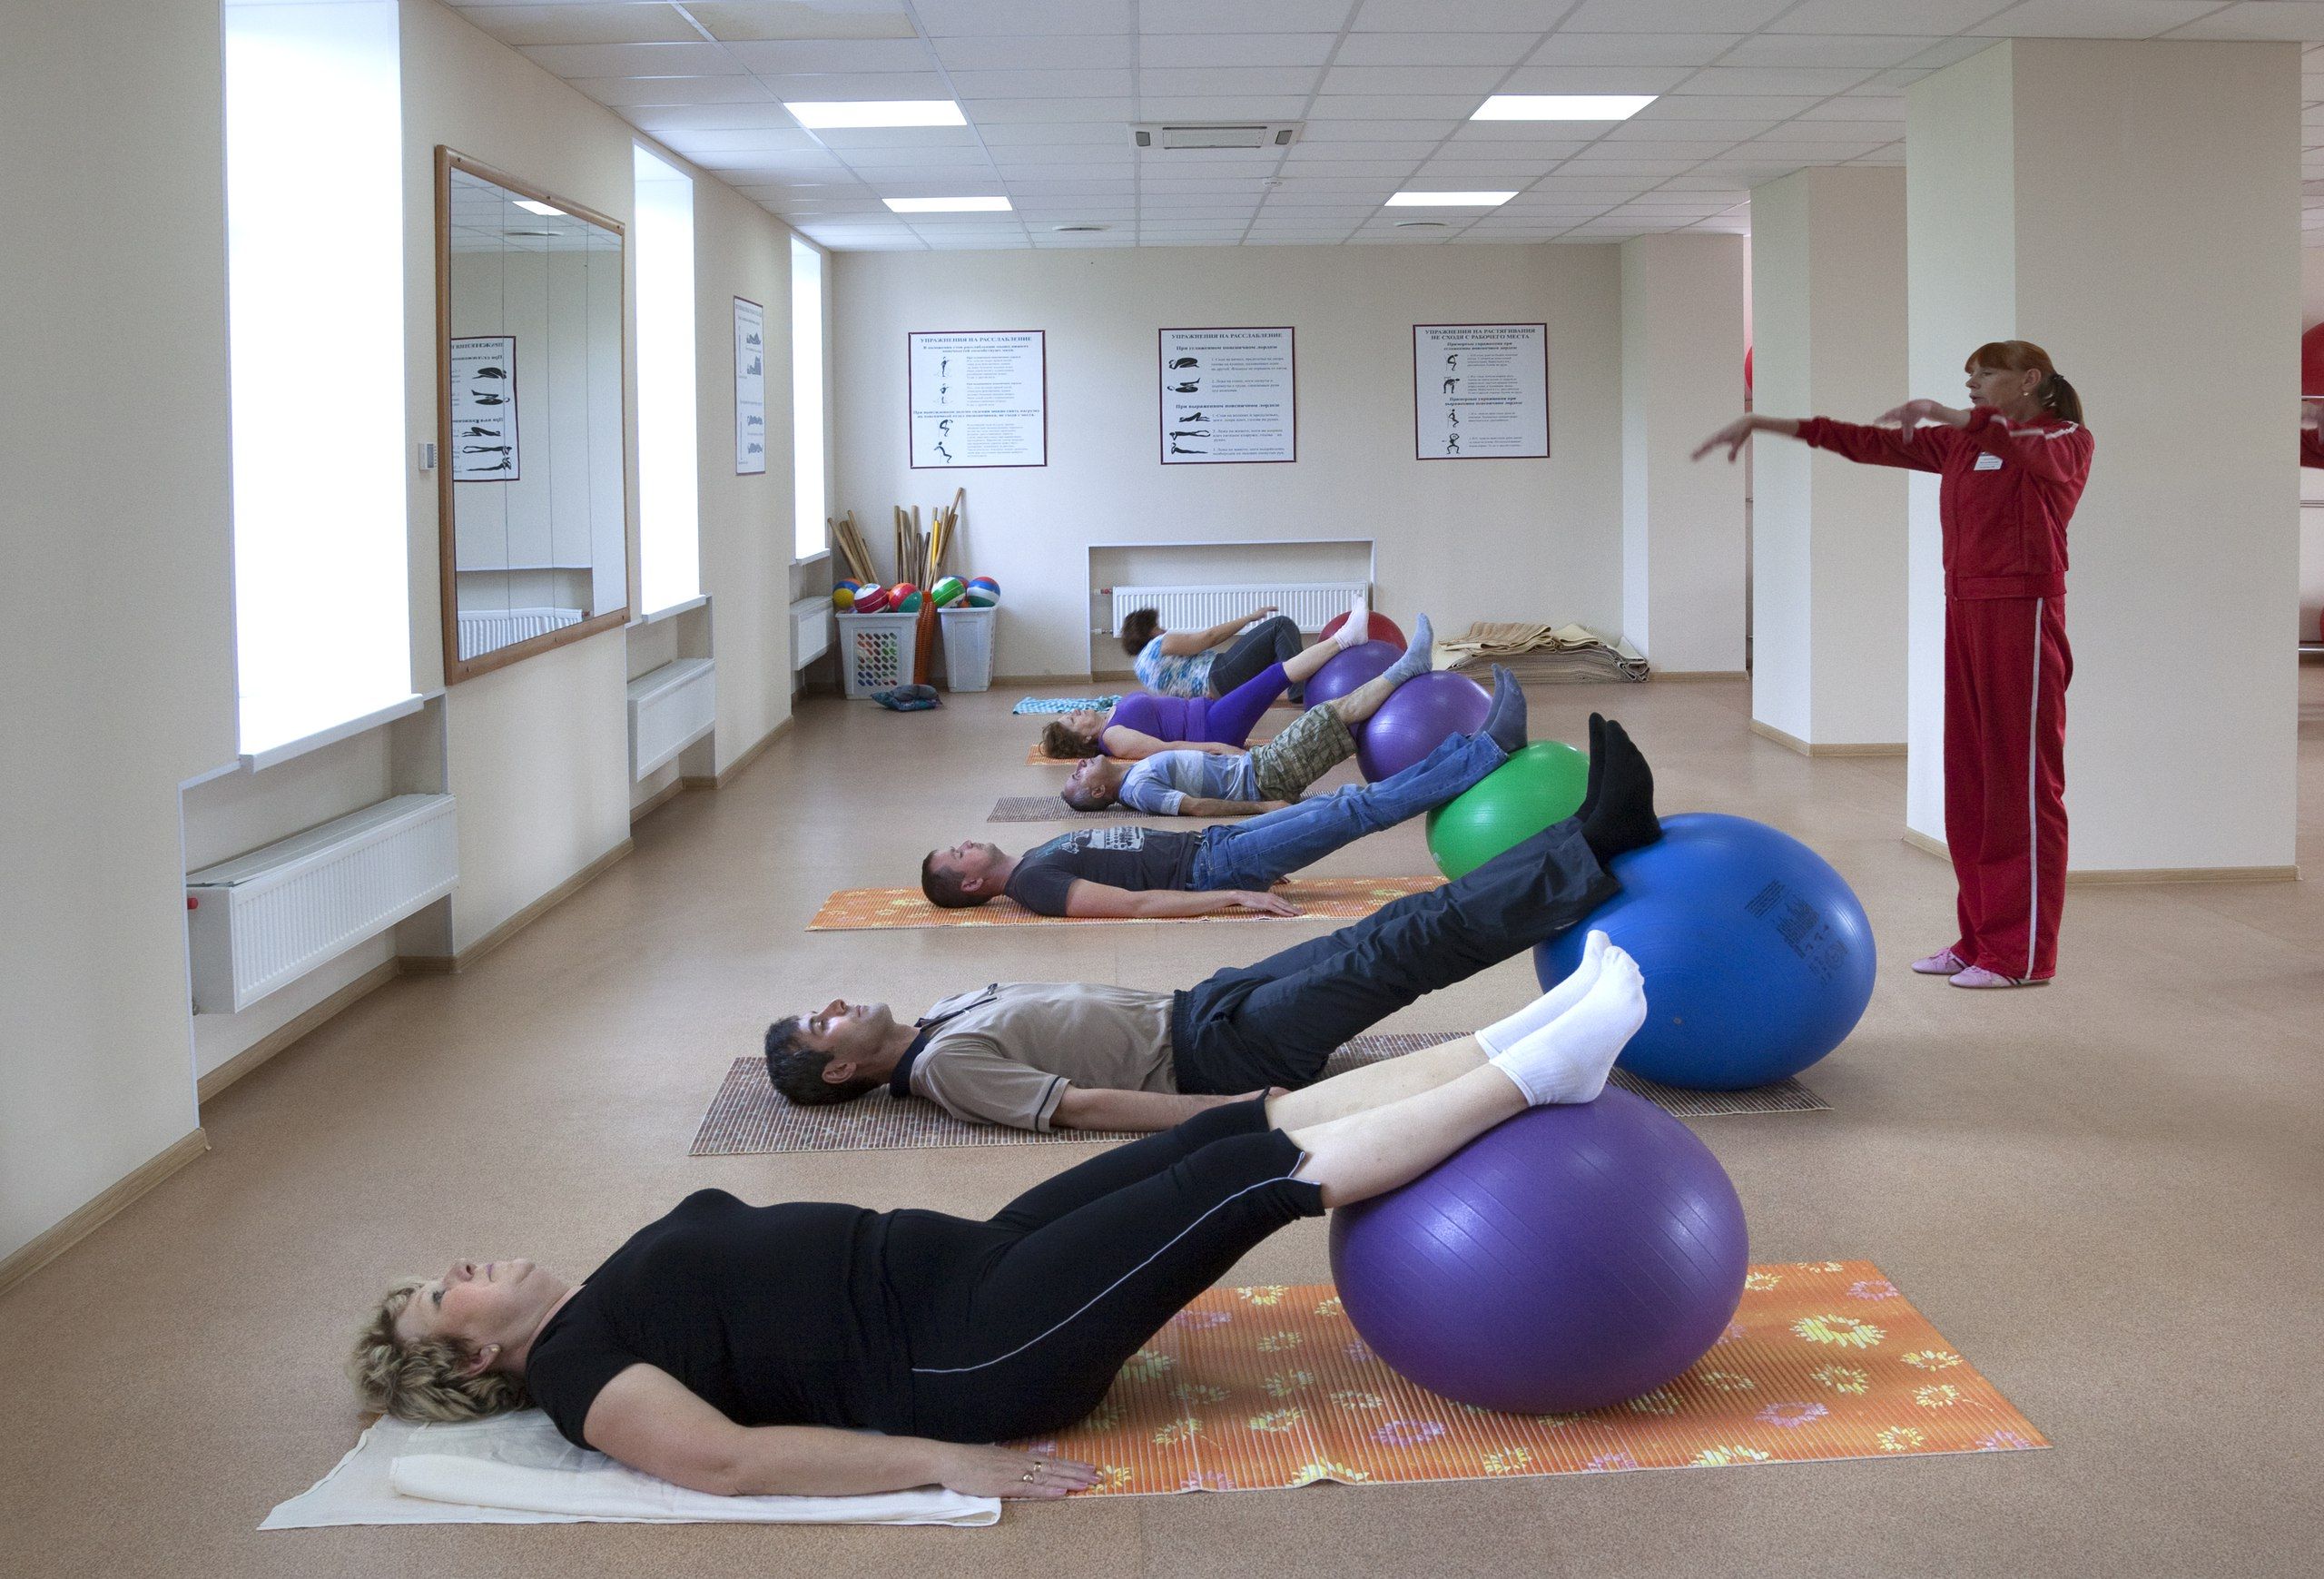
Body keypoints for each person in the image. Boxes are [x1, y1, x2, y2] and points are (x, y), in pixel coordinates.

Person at [350, 938, 1655, 1501]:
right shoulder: (579, 1373)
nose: (459, 1266)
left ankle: (1521, 1029)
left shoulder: (597, 1297)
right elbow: (726, 1463)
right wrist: (942, 1464)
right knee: (1250, 1181)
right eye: (441, 1292)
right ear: (476, 1352)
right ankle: (1542, 1075)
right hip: (973, 1350)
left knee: (1217, 1130)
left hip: (967, 1263)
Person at [769, 715, 1661, 1131]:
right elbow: (1078, 1106)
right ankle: (1593, 846)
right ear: (841, 1067)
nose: (836, 1002)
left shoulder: (939, 1018)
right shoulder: (943, 1068)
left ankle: (1576, 837)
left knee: (1398, 924)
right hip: (1220, 1056)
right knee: (1406, 945)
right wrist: (1227, 1116)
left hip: (1201, 1005)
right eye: (823, 1022)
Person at [1695, 340, 2090, 989]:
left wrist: (1961, 417)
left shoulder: (2064, 438)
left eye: (1986, 372)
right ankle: (1979, 940)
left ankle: (2022, 955)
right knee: (1971, 787)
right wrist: (1771, 423)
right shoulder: (1963, 443)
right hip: (1965, 611)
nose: (1972, 383)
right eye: (1969, 375)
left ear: (2029, 379)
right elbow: (1866, 443)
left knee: (2020, 789)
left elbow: (2030, 450)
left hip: (2025, 613)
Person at [921, 675, 1531, 918]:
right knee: (1353, 809)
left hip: (1217, 844)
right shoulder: (1034, 885)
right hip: (1218, 866)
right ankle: (1487, 750)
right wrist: (1235, 895)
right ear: (971, 883)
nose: (965, 842)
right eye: (957, 853)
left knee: (1342, 804)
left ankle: (1468, 750)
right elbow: (1134, 906)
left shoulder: (1033, 859)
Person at [1066, 644, 1504, 821]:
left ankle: (1460, 754)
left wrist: (1229, 752)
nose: (1081, 766)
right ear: (1100, 792)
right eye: (1077, 775)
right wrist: (1263, 806)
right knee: (1333, 714)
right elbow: (1196, 807)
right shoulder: (1138, 789)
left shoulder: (1135, 775)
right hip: (1264, 777)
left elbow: (1197, 767)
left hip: (1257, 766)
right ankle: (1409, 668)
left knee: (1342, 729)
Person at [1039, 611, 1433, 763]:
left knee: (1273, 675)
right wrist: (1221, 750)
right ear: (1084, 739)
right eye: (1071, 720)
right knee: (1273, 675)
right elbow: (1167, 749)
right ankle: (1347, 639)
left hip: (1208, 710)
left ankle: (1354, 646)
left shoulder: (1112, 712)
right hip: (1212, 727)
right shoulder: (1114, 738)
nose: (1075, 712)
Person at [1119, 600, 1324, 703]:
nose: (1163, 629)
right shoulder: (1158, 645)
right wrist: (1249, 618)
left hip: (1214, 696)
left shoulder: (1141, 668)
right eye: (1157, 626)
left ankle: (1298, 684)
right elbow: (1209, 638)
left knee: (1272, 649)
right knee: (1280, 625)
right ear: (1150, 631)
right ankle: (1299, 691)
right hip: (1220, 676)